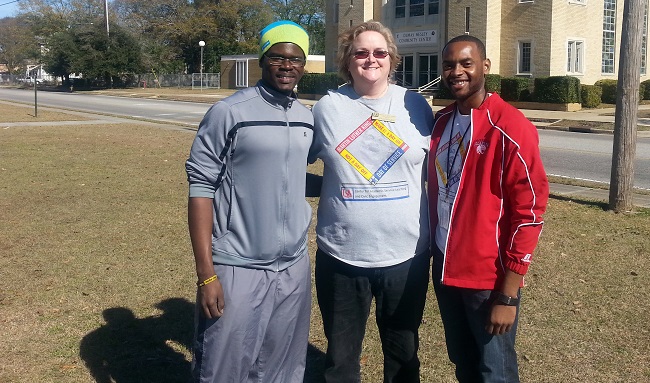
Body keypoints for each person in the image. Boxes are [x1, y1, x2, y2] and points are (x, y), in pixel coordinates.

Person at [185, 20, 313, 383]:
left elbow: (293, 178)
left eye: (296, 59)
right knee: (222, 367)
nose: (287, 66)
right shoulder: (230, 112)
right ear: (262, 59)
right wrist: (206, 273)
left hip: (292, 267)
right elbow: (200, 189)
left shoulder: (306, 118)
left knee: (283, 367)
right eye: (277, 57)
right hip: (238, 265)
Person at [308, 20, 434, 383]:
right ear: (347, 60)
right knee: (340, 360)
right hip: (342, 256)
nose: (371, 59)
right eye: (361, 52)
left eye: (380, 52)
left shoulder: (415, 105)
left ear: (392, 59)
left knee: (403, 355)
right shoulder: (327, 108)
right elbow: (293, 164)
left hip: (406, 255)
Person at [427, 35, 549, 383]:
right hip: (446, 269)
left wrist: (508, 295)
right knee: (464, 364)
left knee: (494, 371)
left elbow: (529, 213)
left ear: (485, 66)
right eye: (449, 65)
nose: (457, 72)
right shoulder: (442, 121)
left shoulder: (510, 126)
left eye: (466, 63)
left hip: (487, 279)